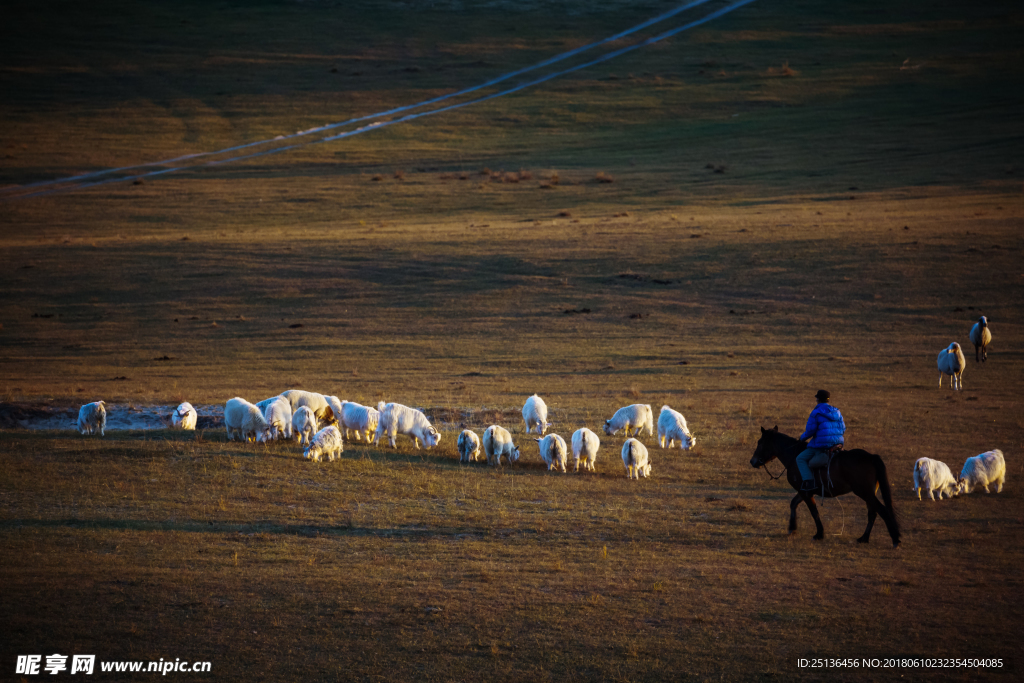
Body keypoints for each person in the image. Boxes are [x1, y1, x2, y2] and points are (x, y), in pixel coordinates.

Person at [797, 389, 846, 492]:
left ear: (818, 399)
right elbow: (843, 428)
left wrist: (801, 438)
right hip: (837, 445)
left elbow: (810, 431)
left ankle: (809, 482)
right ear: (828, 400)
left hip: (822, 446)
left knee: (800, 459)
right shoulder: (837, 412)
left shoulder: (816, 413)